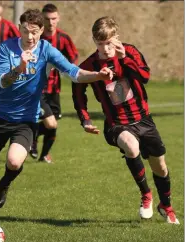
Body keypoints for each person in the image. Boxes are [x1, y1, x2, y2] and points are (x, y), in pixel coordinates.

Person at [0, 9, 114, 223]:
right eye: (25, 31)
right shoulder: (8, 48)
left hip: (26, 121)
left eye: (34, 32)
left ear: (42, 30)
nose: (30, 36)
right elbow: (0, 83)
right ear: (19, 29)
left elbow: (74, 72)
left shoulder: (47, 50)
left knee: (14, 162)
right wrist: (20, 67)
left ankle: (4, 184)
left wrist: (98, 75)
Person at [72, 16, 180, 224]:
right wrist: (85, 119)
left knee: (161, 168)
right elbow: (78, 90)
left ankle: (166, 206)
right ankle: (146, 194)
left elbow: (145, 77)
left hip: (143, 120)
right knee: (131, 147)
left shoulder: (130, 52)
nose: (105, 48)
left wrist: (124, 60)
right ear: (94, 41)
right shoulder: (90, 64)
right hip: (116, 124)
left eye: (109, 42)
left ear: (116, 37)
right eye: (100, 43)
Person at [29, 3, 79, 163]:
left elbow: (73, 57)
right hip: (38, 89)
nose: (51, 22)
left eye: (54, 19)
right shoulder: (35, 38)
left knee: (54, 123)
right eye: (47, 19)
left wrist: (65, 66)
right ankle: (32, 136)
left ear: (58, 18)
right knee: (50, 123)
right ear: (42, 19)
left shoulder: (63, 38)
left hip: (55, 88)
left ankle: (43, 154)